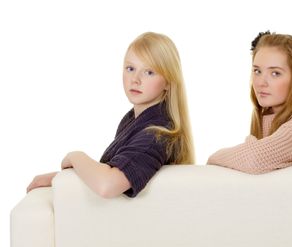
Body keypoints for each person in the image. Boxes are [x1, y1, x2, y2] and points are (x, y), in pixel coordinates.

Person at [27, 32, 194, 197]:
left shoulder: (158, 135)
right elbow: (107, 173)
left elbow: (108, 185)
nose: (135, 79)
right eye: (130, 68)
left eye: (149, 72)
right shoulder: (133, 120)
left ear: (168, 82)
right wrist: (60, 178)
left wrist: (75, 156)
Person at [207, 31, 292, 174]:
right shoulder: (270, 116)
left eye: (275, 73)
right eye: (257, 71)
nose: (260, 82)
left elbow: (253, 159)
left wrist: (217, 156)